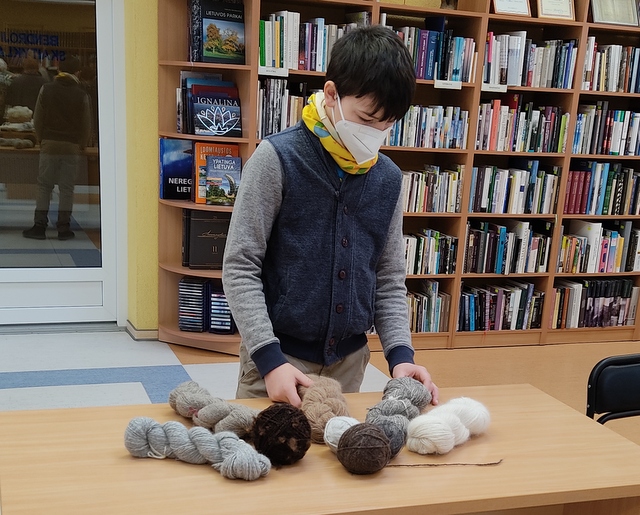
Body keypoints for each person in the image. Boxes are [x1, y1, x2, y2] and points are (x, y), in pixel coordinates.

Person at [222, 25, 439, 408]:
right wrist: (269, 360)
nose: (377, 132)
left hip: (349, 364)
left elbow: (388, 278)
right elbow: (240, 265)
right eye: (367, 118)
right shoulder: (277, 159)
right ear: (332, 94)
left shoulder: (387, 178)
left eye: (388, 123)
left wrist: (401, 356)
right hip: (276, 359)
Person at [23, 55, 91, 241]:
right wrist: (82, 144)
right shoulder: (81, 94)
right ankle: (63, 228)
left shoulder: (46, 89)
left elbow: (38, 118)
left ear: (59, 70)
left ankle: (39, 227)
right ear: (77, 72)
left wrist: (41, 139)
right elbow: (86, 124)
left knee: (45, 186)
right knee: (66, 188)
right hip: (71, 146)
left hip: (49, 143)